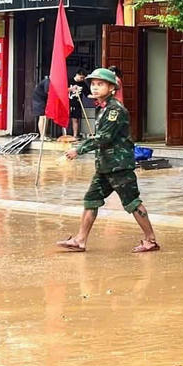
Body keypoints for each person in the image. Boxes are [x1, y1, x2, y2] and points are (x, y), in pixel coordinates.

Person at [55, 68, 160, 253]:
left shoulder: (115, 110)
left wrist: (78, 149)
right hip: (105, 166)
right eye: (93, 84)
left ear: (112, 87)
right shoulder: (102, 108)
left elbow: (104, 137)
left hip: (119, 166)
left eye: (100, 84)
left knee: (132, 202)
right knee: (91, 200)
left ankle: (150, 240)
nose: (95, 88)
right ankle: (80, 239)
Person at [68, 70, 88, 139]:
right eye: (81, 77)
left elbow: (87, 94)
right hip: (67, 103)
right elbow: (62, 90)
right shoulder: (69, 80)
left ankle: (75, 136)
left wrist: (96, 96)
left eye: (83, 78)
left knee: (75, 120)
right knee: (65, 119)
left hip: (77, 103)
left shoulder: (82, 84)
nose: (82, 79)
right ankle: (65, 134)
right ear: (77, 74)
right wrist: (71, 89)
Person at [31, 75, 51, 139]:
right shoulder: (47, 81)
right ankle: (42, 135)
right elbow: (48, 92)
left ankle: (44, 134)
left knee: (47, 117)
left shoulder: (51, 82)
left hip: (44, 100)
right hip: (39, 100)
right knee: (42, 117)